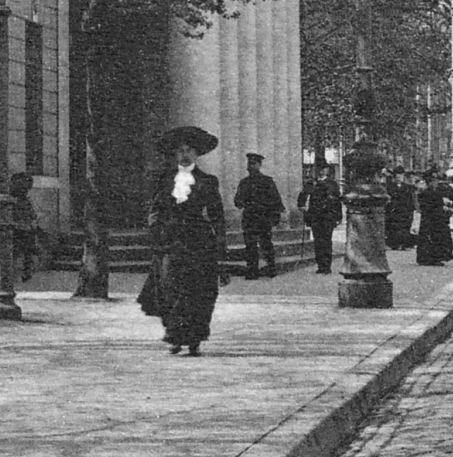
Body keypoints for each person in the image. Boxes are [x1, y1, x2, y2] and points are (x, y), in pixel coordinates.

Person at [143, 126, 225, 355]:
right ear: (175, 154)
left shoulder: (208, 181)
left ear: (197, 154)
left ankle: (194, 338)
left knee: (199, 290)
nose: (186, 154)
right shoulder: (164, 180)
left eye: (190, 150)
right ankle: (174, 335)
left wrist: (220, 246)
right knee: (170, 287)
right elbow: (155, 210)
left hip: (199, 241)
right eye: (181, 150)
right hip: (171, 240)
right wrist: (156, 233)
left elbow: (217, 215)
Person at [233, 152, 286, 280]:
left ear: (259, 165)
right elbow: (237, 201)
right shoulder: (244, 182)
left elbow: (275, 199)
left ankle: (271, 268)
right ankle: (253, 271)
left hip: (263, 217)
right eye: (249, 163)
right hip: (250, 218)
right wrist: (243, 203)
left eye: (253, 164)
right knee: (250, 246)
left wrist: (275, 216)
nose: (250, 166)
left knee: (266, 244)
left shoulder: (267, 181)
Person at [299, 164, 342, 274]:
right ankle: (320, 265)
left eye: (323, 169)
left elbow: (337, 201)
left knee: (326, 240)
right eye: (318, 169)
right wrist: (302, 205)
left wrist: (338, 216)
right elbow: (303, 195)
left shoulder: (332, 184)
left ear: (327, 169)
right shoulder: (311, 183)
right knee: (318, 241)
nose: (321, 171)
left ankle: (326, 266)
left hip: (328, 217)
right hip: (315, 216)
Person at [415, 170, 453, 266]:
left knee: (436, 238)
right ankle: (429, 258)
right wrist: (442, 205)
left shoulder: (434, 191)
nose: (436, 182)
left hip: (436, 219)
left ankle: (434, 258)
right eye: (434, 180)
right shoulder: (426, 192)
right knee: (431, 238)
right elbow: (427, 205)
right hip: (430, 219)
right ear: (429, 182)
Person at [8, 171, 41, 281]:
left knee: (26, 253)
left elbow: (32, 214)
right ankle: (22, 272)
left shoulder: (24, 200)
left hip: (24, 229)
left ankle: (25, 272)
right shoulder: (17, 201)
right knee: (21, 252)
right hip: (20, 229)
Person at [384, 167, 418, 251]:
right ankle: (394, 243)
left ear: (403, 176)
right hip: (393, 211)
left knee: (405, 227)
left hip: (405, 210)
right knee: (393, 227)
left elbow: (411, 200)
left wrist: (412, 209)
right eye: (396, 176)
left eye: (400, 176)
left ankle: (404, 244)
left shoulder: (408, 187)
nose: (398, 178)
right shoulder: (389, 187)